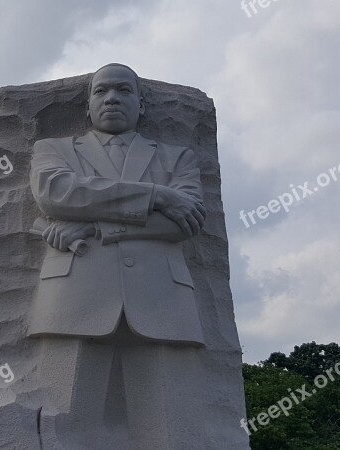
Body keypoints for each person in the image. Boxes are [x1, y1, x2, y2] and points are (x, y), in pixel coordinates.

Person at [28, 63, 207, 448]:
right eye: (101, 91)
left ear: (142, 105)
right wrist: (158, 196)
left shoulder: (177, 158)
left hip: (163, 299)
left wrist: (97, 227)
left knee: (173, 429)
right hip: (73, 297)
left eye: (124, 91)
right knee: (63, 428)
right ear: (87, 105)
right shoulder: (52, 150)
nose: (112, 98)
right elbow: (57, 195)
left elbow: (187, 222)